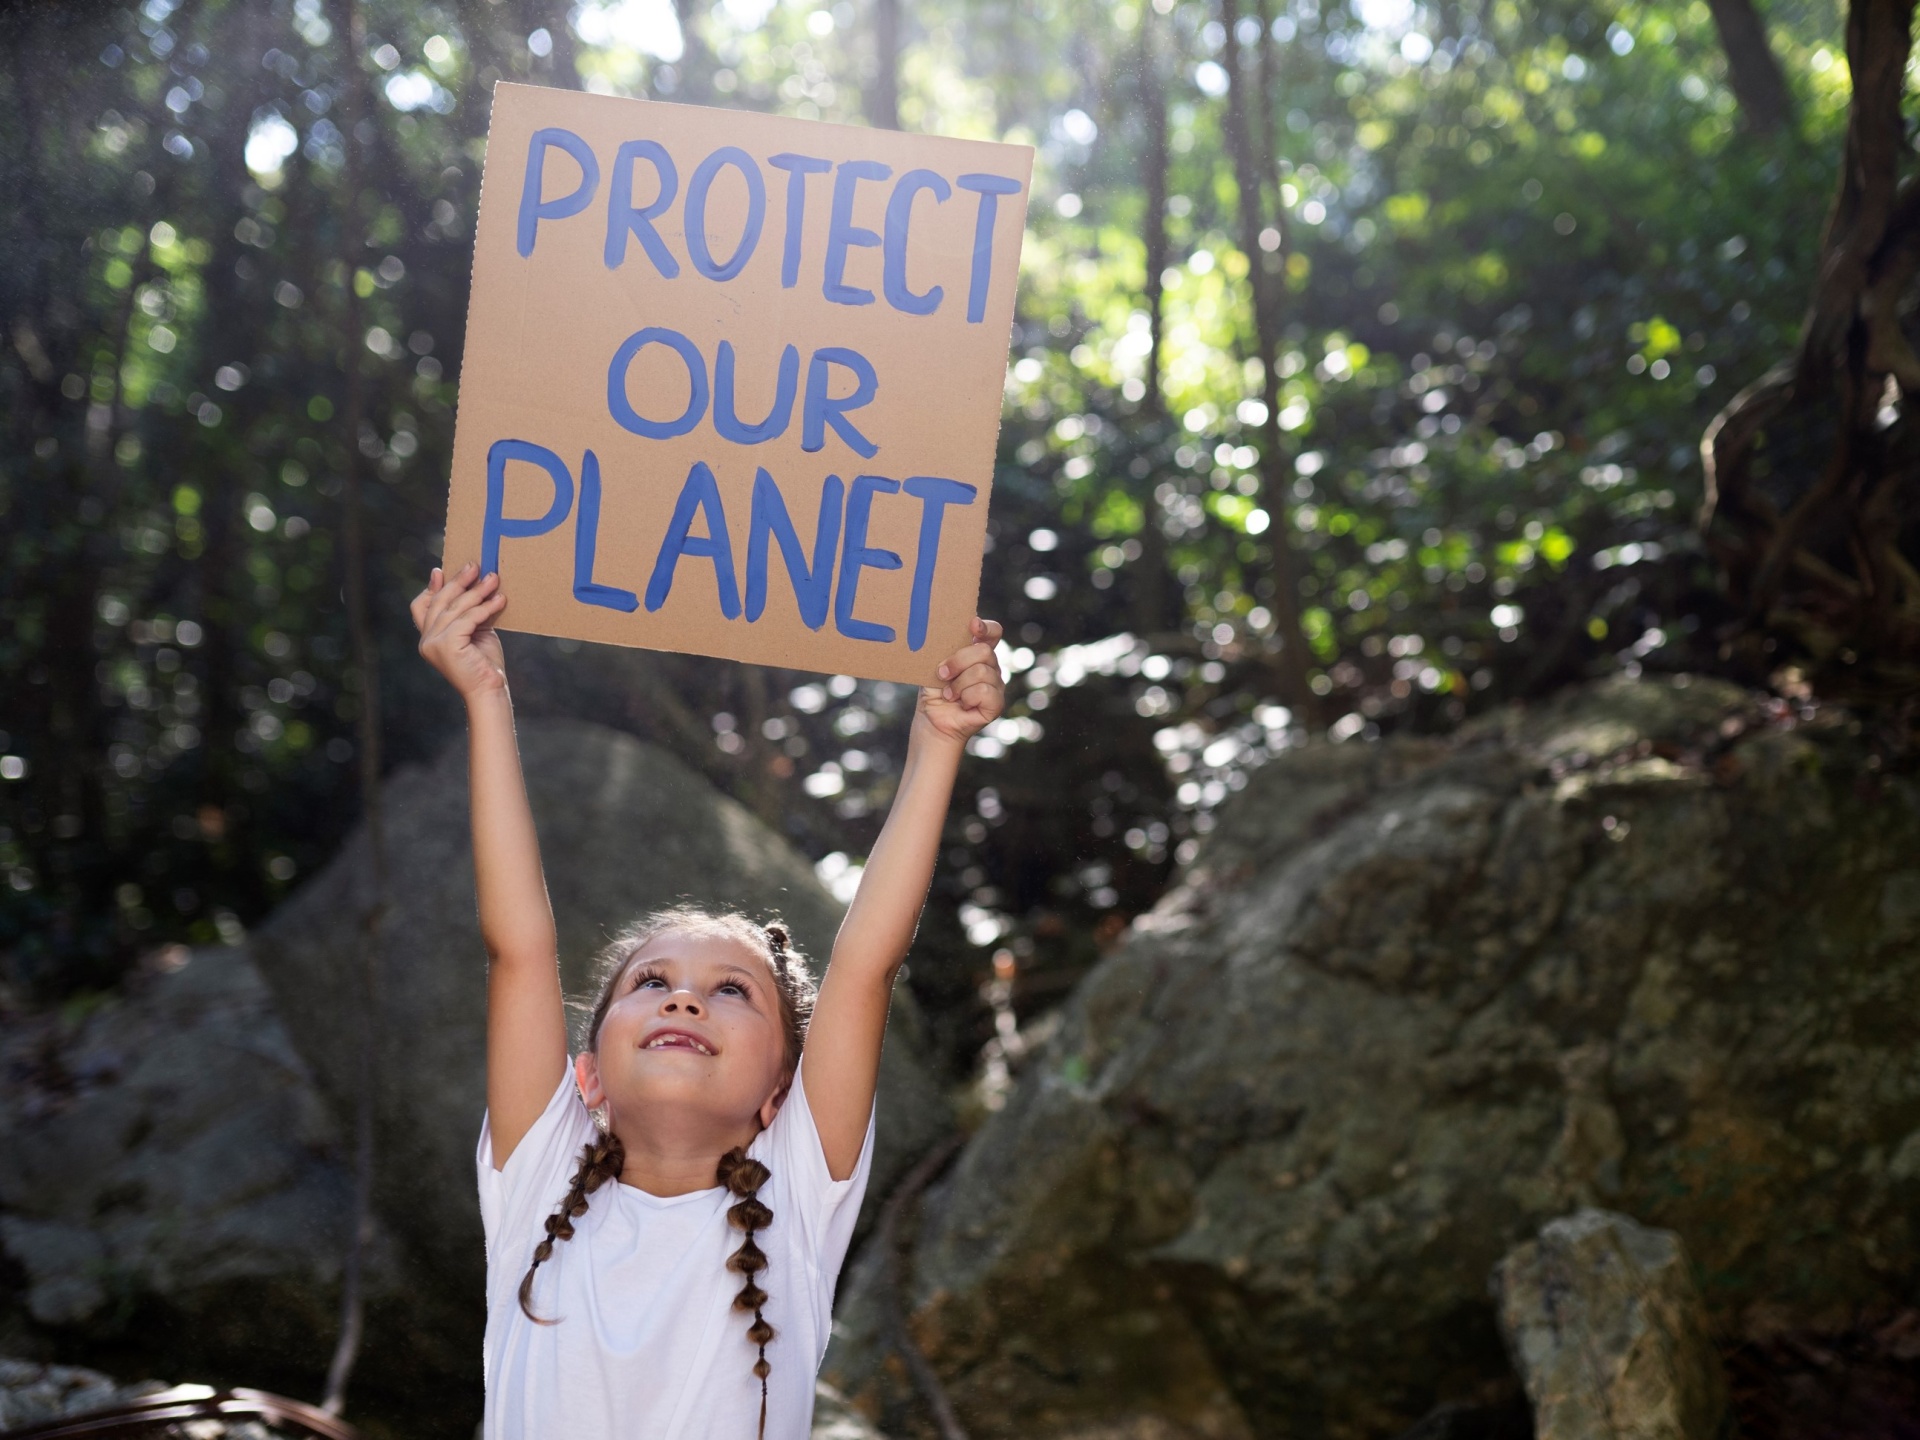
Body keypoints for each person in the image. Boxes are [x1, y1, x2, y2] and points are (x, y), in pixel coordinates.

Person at [410, 561, 1004, 1440]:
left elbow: (863, 967)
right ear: (587, 1076)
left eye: (732, 992)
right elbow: (522, 948)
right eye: (651, 983)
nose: (684, 1002)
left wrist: (939, 743)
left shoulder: (798, 1199)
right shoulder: (539, 1178)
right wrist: (486, 695)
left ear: (780, 1095)